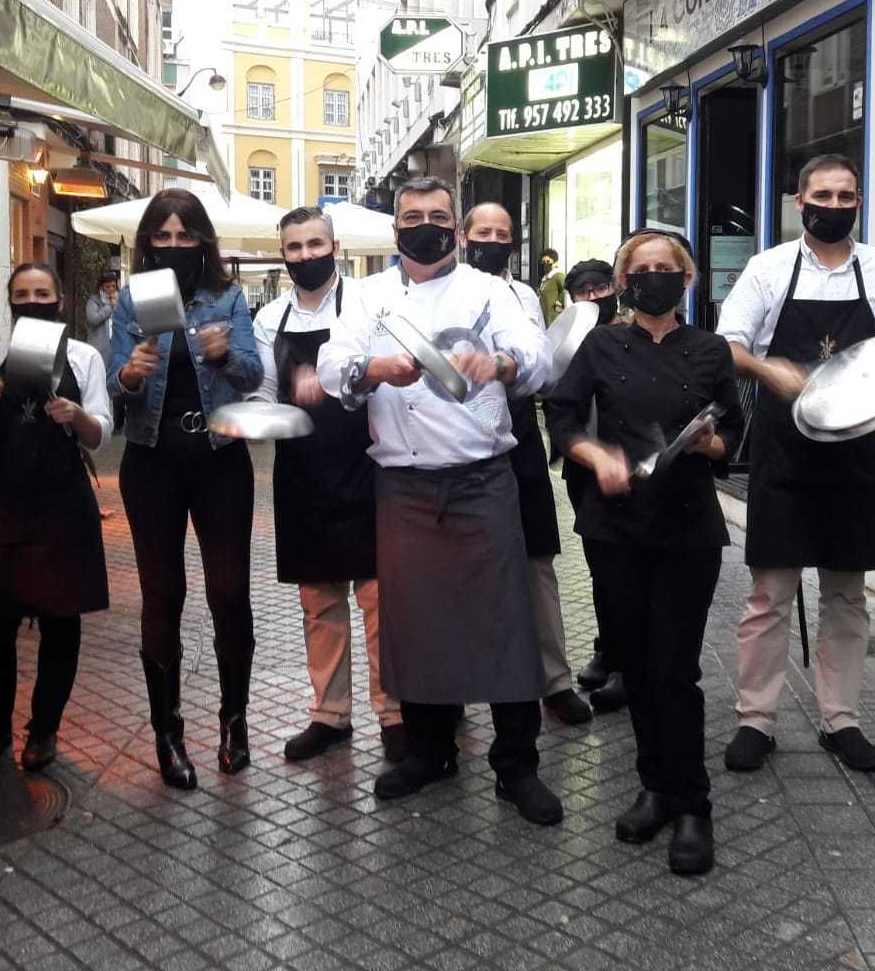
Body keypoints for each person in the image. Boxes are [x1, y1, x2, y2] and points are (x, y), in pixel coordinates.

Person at [318, 176, 562, 826]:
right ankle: (430, 752)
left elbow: (538, 358)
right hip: (404, 483)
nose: (424, 225)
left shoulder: (493, 292)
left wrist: (502, 366)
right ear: (395, 227)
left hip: (483, 478)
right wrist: (374, 370)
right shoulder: (365, 296)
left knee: (506, 620)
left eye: (438, 216)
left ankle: (516, 765)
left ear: (456, 230)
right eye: (412, 216)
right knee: (414, 623)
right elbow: (330, 370)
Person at [716, 153, 875, 775]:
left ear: (858, 202)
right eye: (823, 196)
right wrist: (767, 368)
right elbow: (728, 346)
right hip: (786, 449)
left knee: (846, 594)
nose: (834, 206)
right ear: (799, 201)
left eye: (846, 196)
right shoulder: (768, 269)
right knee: (769, 594)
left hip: (856, 449)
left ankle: (842, 719)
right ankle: (756, 718)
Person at [546, 231, 743, 875]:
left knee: (675, 671)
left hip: (688, 527)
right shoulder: (601, 344)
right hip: (615, 527)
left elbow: (734, 437)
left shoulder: (711, 350)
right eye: (642, 268)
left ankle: (694, 806)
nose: (653, 277)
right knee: (635, 667)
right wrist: (593, 454)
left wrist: (712, 446)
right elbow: (564, 418)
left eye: (667, 268)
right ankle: (653, 786)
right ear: (626, 281)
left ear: (686, 279)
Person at [110, 188, 262, 789]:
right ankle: (167, 735)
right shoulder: (133, 298)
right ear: (148, 241)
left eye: (185, 236)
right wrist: (129, 372)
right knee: (162, 596)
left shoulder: (227, 298)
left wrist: (225, 355)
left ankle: (235, 722)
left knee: (228, 592)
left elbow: (252, 375)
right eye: (162, 236)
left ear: (203, 241)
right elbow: (118, 385)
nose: (173, 246)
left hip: (221, 457)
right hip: (151, 461)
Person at [251, 207, 406, 764]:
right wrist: (264, 413)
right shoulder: (269, 319)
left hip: (363, 463)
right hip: (301, 472)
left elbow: (384, 378)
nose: (305, 256)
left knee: (378, 599)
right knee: (319, 605)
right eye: (294, 248)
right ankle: (330, 715)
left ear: (334, 245)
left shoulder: (364, 305)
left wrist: (343, 385)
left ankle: (393, 713)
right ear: (283, 254)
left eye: (314, 244)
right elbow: (265, 391)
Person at [0, 263, 112, 775]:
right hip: (1, 505)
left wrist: (75, 415)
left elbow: (100, 434)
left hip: (62, 507)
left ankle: (44, 730)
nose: (33, 300)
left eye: (42, 292)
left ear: (60, 300)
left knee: (61, 625)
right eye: (22, 294)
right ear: (10, 302)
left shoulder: (84, 357)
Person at [461, 203, 590, 726]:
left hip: (518, 435)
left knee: (538, 560)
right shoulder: (439, 290)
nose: (492, 240)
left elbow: (541, 368)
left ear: (513, 243)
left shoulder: (526, 296)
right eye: (482, 232)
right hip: (460, 442)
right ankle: (459, 685)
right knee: (463, 569)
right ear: (464, 237)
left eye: (502, 234)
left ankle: (553, 679)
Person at [558, 258, 627, 710]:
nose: (591, 300)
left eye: (599, 289)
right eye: (582, 293)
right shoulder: (567, 342)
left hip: (632, 462)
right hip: (584, 466)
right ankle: (609, 648)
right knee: (602, 567)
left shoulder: (633, 331)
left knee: (630, 568)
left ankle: (630, 662)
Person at [85, 272, 119, 362]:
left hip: (116, 346)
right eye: (107, 286)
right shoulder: (93, 301)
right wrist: (110, 306)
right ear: (101, 287)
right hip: (99, 348)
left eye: (113, 286)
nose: (111, 289)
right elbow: (93, 319)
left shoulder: (119, 301)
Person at [538, 248, 567, 324]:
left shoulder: (558, 275)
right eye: (543, 262)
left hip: (553, 319)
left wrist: (559, 305)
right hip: (544, 317)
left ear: (555, 261)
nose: (546, 265)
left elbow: (567, 290)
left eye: (548, 261)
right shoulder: (546, 278)